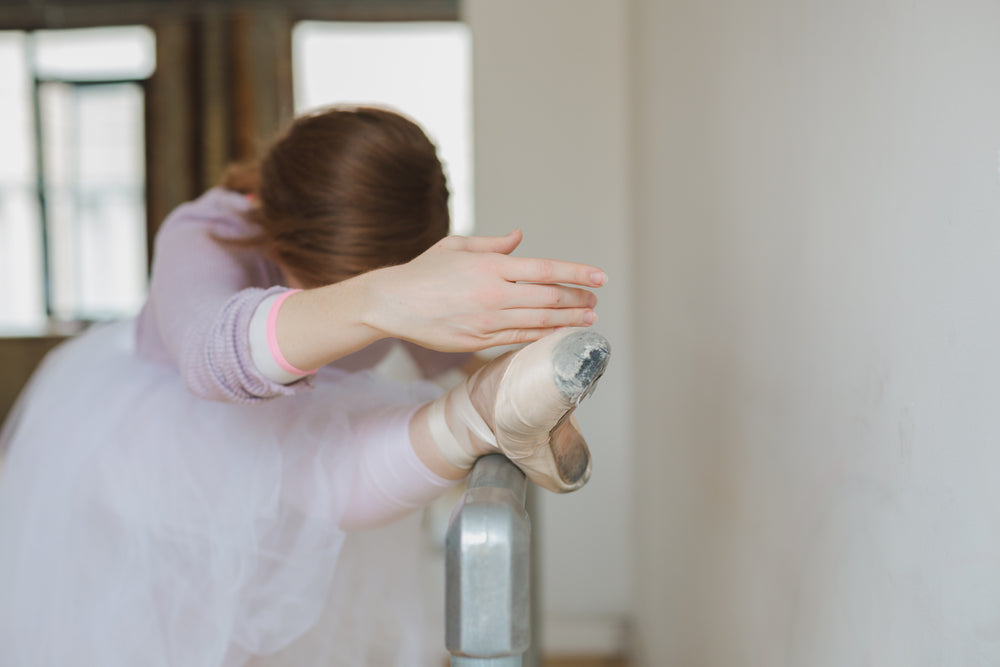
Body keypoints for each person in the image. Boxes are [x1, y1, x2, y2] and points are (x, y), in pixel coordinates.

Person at [0, 105, 609, 666]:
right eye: (334, 283)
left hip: (284, 439)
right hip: (159, 441)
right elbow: (210, 357)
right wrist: (383, 299)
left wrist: (534, 389)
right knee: (304, 474)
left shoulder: (399, 248)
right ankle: (472, 419)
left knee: (315, 490)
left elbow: (440, 357)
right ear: (276, 232)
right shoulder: (207, 231)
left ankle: (487, 410)